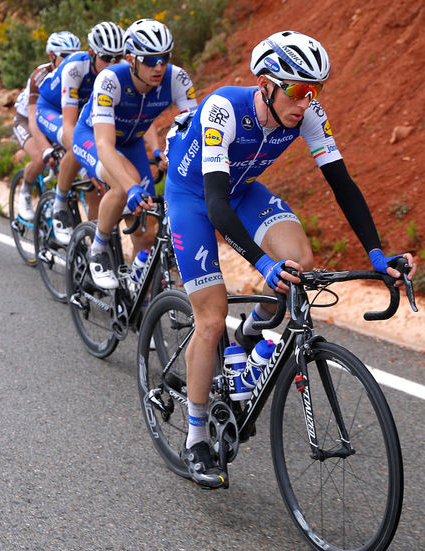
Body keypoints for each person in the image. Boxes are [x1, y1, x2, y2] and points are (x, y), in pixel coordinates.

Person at [163, 31, 418, 488]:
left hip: (241, 192)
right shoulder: (223, 108)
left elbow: (342, 183)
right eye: (299, 90)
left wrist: (377, 253)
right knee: (211, 317)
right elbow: (215, 204)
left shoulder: (307, 114)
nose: (307, 101)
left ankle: (253, 332)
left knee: (299, 260)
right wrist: (261, 264)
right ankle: (197, 435)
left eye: (315, 90)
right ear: (265, 83)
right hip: (194, 197)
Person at [80, 18, 197, 290]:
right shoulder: (110, 80)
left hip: (131, 144)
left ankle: (135, 286)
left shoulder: (177, 78)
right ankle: (98, 247)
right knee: (124, 187)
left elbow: (193, 132)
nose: (159, 66)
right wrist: (131, 187)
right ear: (131, 58)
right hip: (93, 137)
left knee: (146, 233)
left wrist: (172, 155)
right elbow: (105, 146)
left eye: (164, 58)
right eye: (149, 59)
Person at [37, 22, 124, 244]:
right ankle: (60, 202)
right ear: (92, 53)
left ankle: (89, 242)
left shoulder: (120, 71)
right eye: (106, 58)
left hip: (84, 115)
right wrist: (90, 166)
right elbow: (70, 128)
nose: (112, 64)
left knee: (96, 186)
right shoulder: (75, 68)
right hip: (52, 109)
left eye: (118, 58)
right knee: (75, 148)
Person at [11, 31, 81, 220]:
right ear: (52, 56)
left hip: (55, 120)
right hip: (27, 119)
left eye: (76, 55)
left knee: (71, 163)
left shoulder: (80, 72)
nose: (72, 61)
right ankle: (25, 192)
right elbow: (34, 117)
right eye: (66, 57)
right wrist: (45, 149)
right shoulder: (39, 76)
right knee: (41, 159)